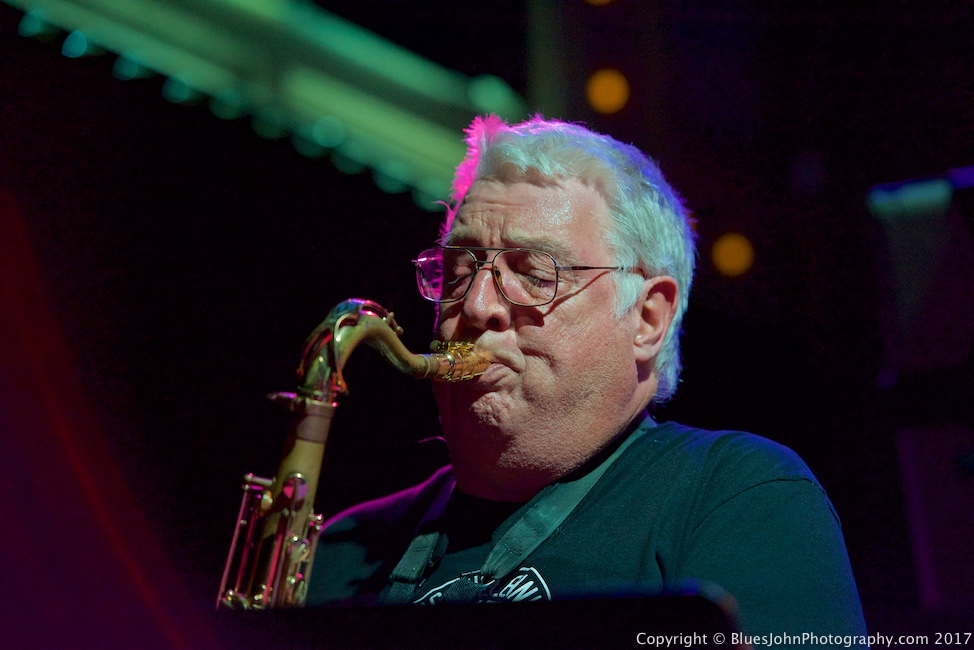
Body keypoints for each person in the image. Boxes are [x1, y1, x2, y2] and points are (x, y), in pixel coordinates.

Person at [307, 115, 866, 639]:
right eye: (458, 269)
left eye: (533, 272)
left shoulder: (739, 497)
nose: (475, 307)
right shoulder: (341, 554)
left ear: (647, 319)